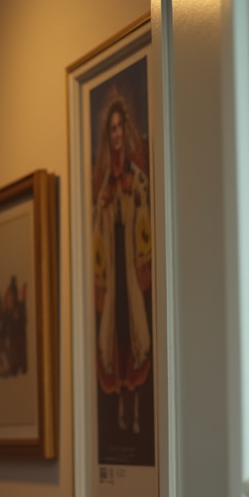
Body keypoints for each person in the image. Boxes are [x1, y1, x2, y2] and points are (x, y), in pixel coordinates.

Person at [92, 95, 152, 434]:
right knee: (112, 335)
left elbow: (144, 219)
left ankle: (139, 413)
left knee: (136, 331)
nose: (116, 135)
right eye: (111, 130)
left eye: (120, 129)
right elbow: (97, 237)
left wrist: (143, 258)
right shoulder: (103, 193)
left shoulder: (137, 178)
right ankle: (119, 413)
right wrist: (99, 280)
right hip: (114, 271)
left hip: (129, 267)